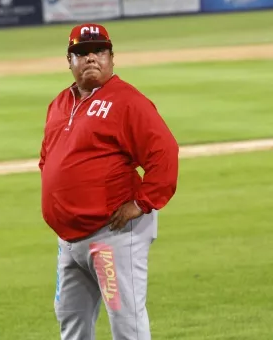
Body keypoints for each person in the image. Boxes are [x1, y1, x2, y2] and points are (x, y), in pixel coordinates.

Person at [39, 23, 180, 340]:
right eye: (81, 53)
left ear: (111, 58)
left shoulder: (128, 102)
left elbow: (164, 153)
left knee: (126, 323)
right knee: (71, 324)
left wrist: (143, 202)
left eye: (98, 51)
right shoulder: (60, 103)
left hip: (111, 234)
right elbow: (47, 157)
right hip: (68, 239)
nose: (90, 59)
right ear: (69, 61)